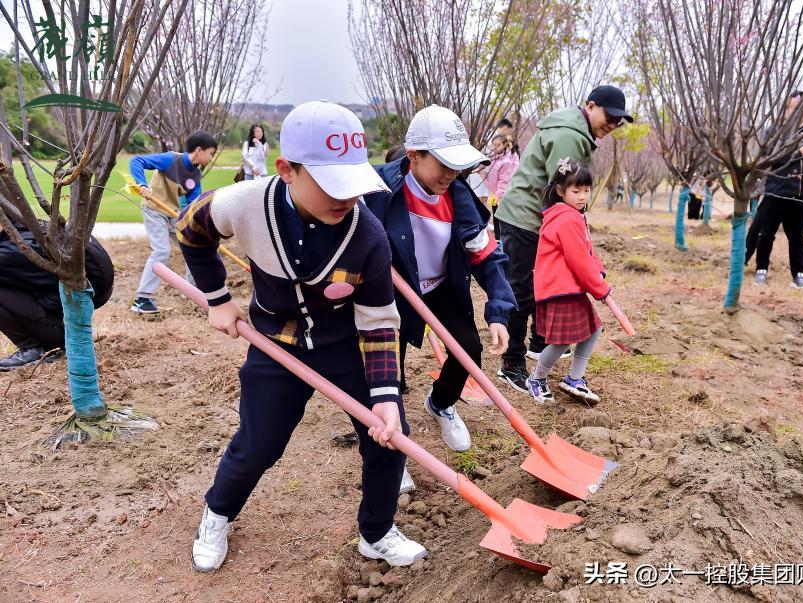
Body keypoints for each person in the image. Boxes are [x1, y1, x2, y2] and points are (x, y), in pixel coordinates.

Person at [176, 101, 426, 572]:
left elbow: (377, 322)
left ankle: (377, 532)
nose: (346, 200)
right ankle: (217, 513)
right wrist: (217, 298)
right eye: (333, 186)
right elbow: (191, 230)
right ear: (287, 169)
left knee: (390, 438)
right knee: (259, 444)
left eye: (353, 186)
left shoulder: (368, 237)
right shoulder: (244, 203)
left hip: (343, 346)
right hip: (275, 341)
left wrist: (386, 395)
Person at [365, 105, 515, 458]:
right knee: (388, 370)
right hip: (393, 291)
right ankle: (392, 441)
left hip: (442, 286)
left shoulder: (460, 199)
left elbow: (487, 255)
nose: (451, 174)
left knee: (468, 352)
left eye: (456, 165)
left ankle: (441, 403)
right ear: (414, 156)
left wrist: (498, 309)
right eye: (444, 164)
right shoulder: (377, 189)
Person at [492, 85, 632, 393]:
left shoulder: (576, 131)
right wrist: (573, 230)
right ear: (591, 106)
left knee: (541, 284)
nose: (612, 124)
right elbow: (562, 187)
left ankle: (539, 343)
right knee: (522, 292)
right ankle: (511, 364)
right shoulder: (570, 135)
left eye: (618, 121)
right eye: (609, 116)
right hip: (524, 218)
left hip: (537, 221)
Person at [524, 159, 610, 404]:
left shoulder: (574, 215)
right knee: (562, 340)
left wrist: (599, 272)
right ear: (560, 191)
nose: (582, 196)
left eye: (586, 190)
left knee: (592, 330)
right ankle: (537, 379)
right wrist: (599, 289)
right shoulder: (566, 219)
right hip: (559, 289)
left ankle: (575, 379)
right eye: (576, 191)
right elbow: (578, 260)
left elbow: (587, 254)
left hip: (568, 288)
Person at [0, 221, 113, 370]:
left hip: (65, 327)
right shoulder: (26, 227)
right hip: (72, 315)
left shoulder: (13, 250)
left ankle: (33, 349)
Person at [130, 131, 218, 314]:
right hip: (154, 209)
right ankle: (142, 298)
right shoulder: (171, 160)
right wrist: (143, 185)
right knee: (161, 251)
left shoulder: (195, 175)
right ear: (199, 150)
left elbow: (194, 205)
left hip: (172, 214)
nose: (211, 158)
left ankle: (194, 291)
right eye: (211, 153)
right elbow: (137, 161)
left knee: (193, 245)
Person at [753, 91, 803, 289]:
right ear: (787, 108)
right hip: (776, 190)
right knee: (766, 233)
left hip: (802, 193)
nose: (800, 111)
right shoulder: (775, 132)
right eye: (795, 107)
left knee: (797, 236)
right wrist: (797, 153)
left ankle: (799, 274)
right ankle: (761, 270)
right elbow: (768, 158)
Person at [477, 133, 519, 241]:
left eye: (498, 145)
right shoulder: (493, 157)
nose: (495, 147)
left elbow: (503, 182)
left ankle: (502, 242)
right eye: (493, 145)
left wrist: (498, 195)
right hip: (494, 192)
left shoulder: (506, 162)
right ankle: (498, 240)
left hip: (501, 195)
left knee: (500, 218)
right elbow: (482, 164)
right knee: (495, 218)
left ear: (504, 145)